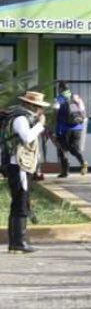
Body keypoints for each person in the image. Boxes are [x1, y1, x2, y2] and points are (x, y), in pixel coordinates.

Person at [2, 90, 50, 253]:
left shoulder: (22, 116)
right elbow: (27, 137)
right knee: (21, 202)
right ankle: (19, 243)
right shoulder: (21, 118)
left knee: (19, 202)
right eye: (38, 107)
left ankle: (16, 243)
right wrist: (40, 124)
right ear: (31, 105)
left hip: (19, 165)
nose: (40, 111)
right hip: (18, 165)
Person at [52, 81, 88, 178]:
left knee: (62, 148)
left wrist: (54, 127)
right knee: (74, 148)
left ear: (60, 88)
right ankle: (83, 162)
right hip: (78, 127)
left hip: (63, 129)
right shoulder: (77, 98)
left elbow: (55, 114)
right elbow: (83, 114)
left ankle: (65, 171)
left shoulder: (59, 99)